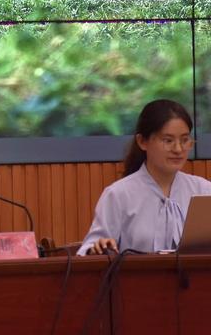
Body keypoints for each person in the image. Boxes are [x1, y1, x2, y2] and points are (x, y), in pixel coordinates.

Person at [77, 99, 211, 256]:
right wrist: (98, 248)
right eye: (168, 141)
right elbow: (90, 251)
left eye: (185, 140)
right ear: (142, 141)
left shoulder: (204, 190)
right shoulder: (118, 195)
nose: (178, 149)